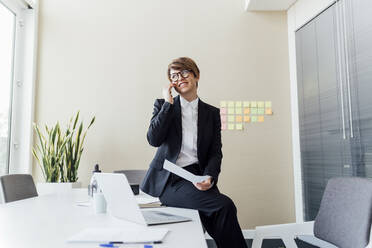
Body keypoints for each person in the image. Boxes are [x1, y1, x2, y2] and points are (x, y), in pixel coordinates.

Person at [140, 57, 247, 248]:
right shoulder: (164, 105)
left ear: (196, 75)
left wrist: (210, 176)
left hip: (197, 178)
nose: (179, 78)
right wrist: (167, 103)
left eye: (184, 72)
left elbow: (215, 152)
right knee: (224, 206)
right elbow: (153, 139)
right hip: (170, 180)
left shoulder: (212, 113)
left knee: (218, 213)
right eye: (174, 76)